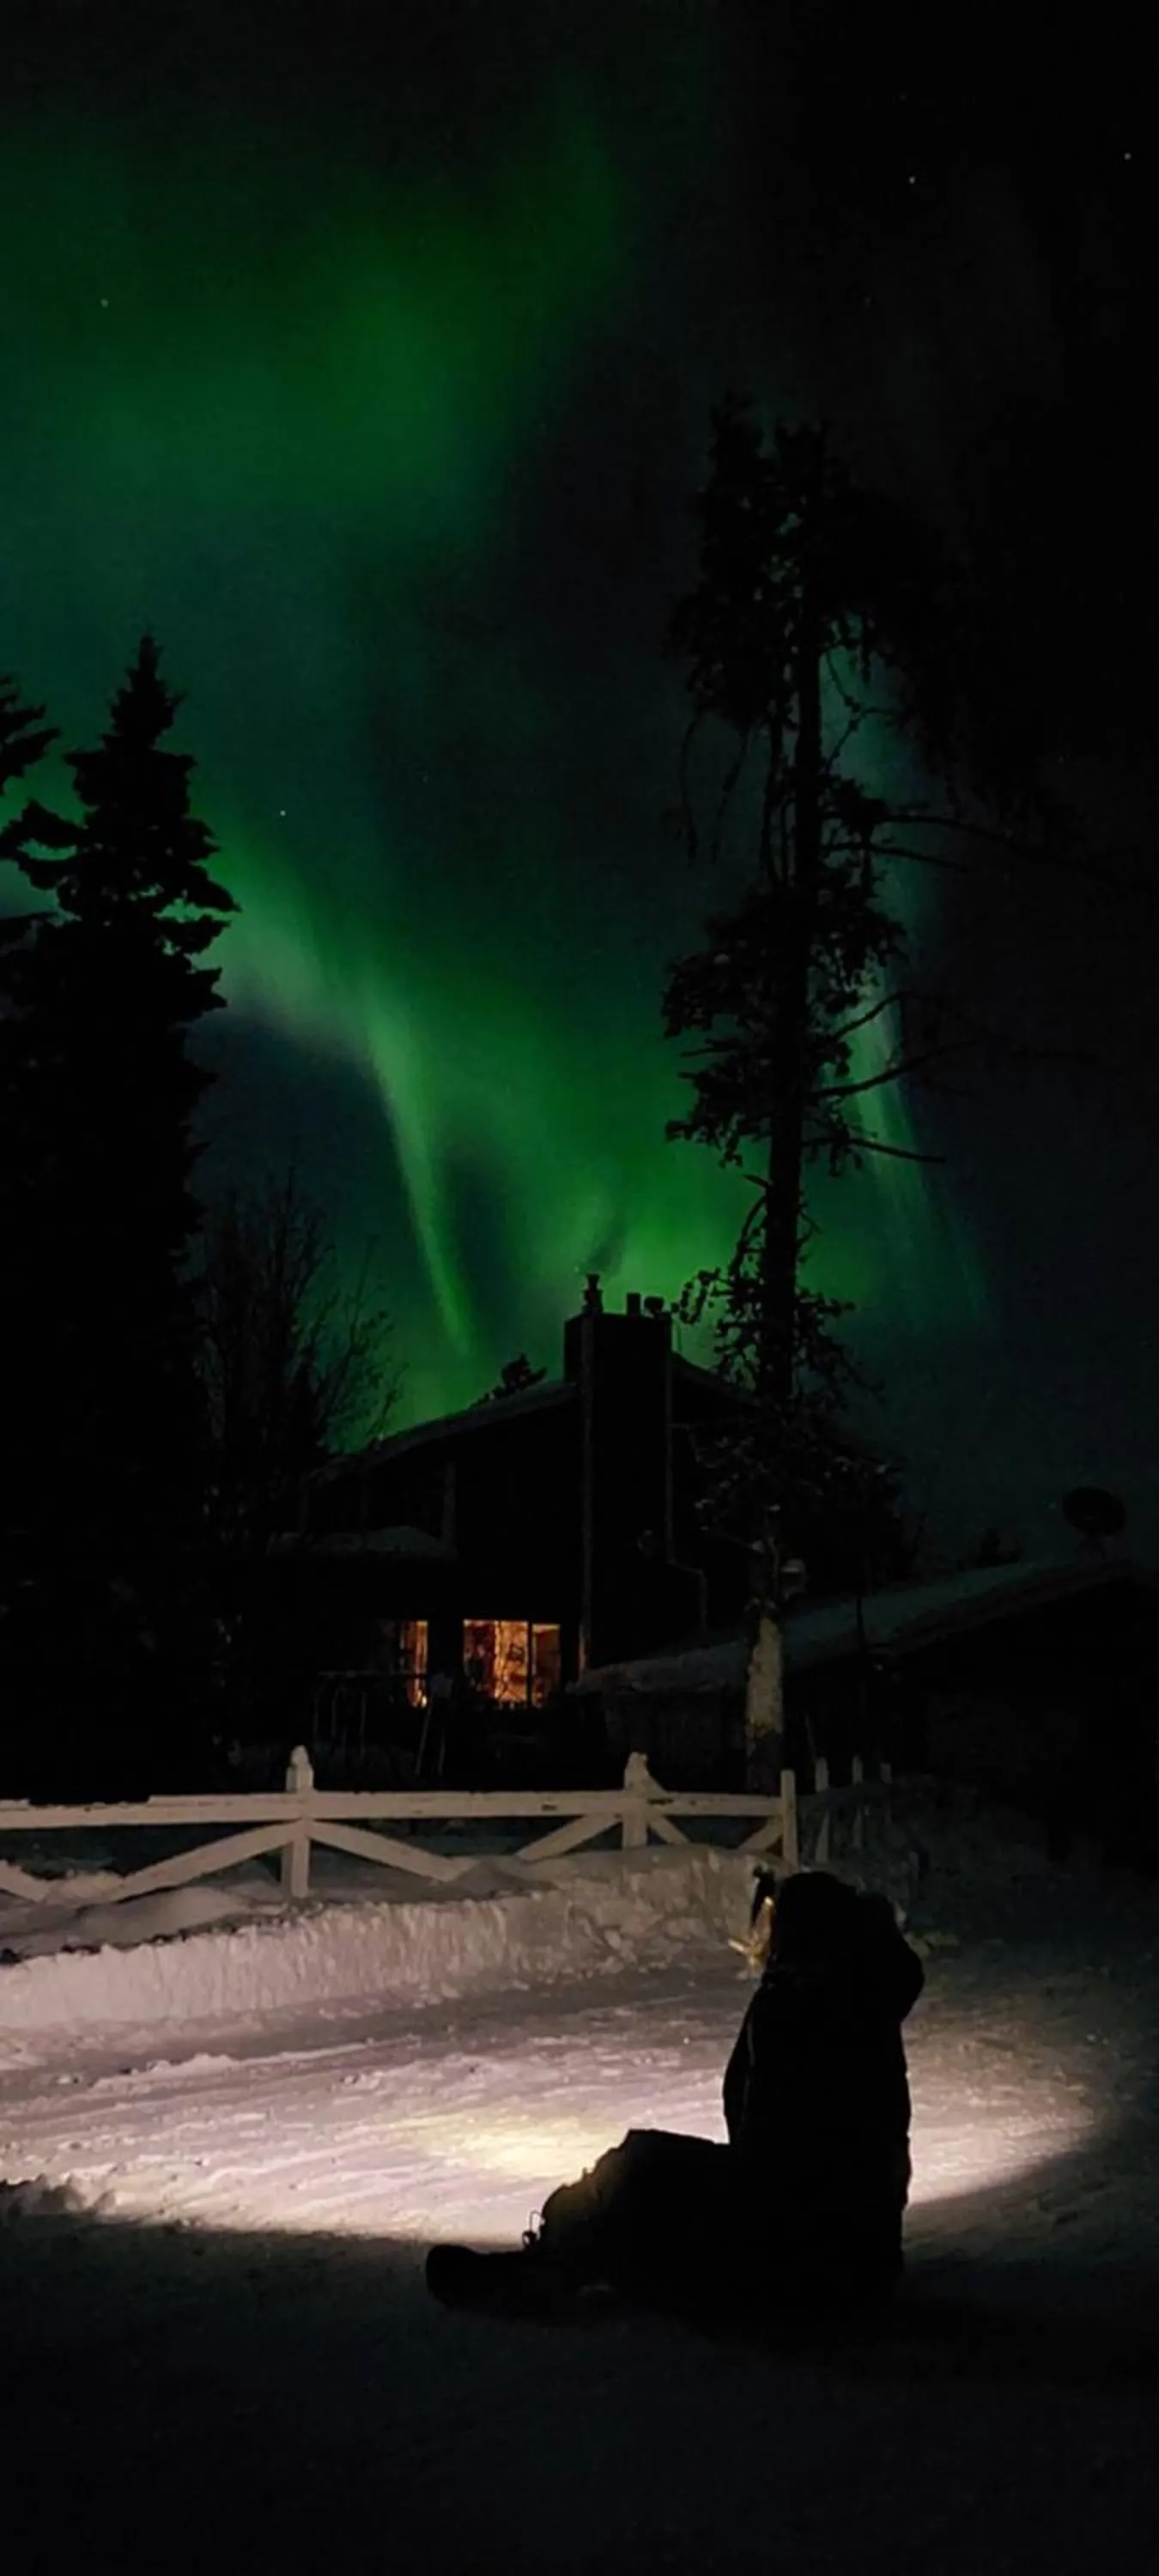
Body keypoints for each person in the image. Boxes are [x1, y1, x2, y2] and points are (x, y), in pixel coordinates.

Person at [425, 1867, 924, 2325]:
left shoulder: (801, 2008)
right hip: (861, 2258)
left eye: (776, 1924)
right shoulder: (858, 2001)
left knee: (638, 2167)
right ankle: (582, 2249)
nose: (765, 1939)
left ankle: (552, 2265)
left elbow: (768, 2156)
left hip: (806, 2263)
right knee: (649, 2171)